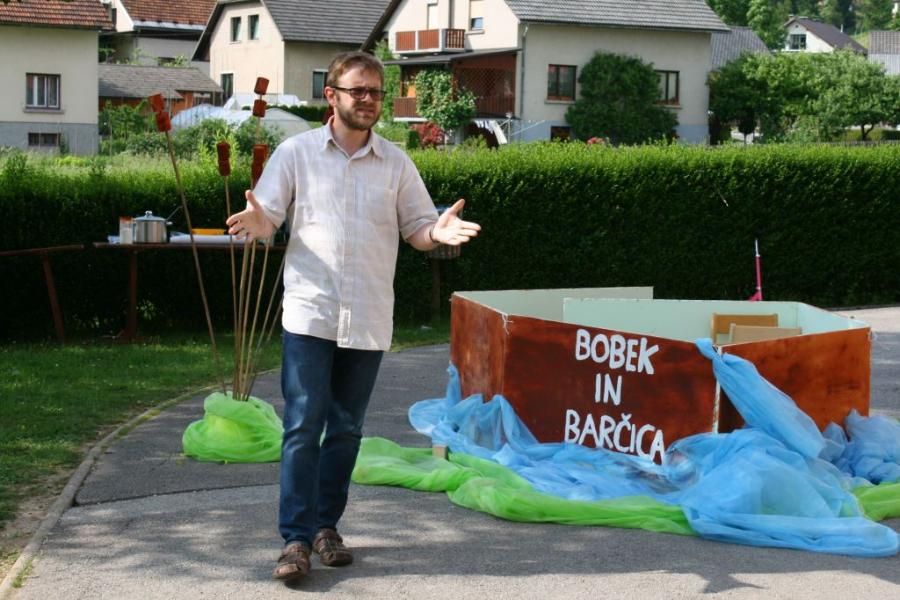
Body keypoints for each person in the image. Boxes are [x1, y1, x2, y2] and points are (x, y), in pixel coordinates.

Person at [225, 51, 481, 582]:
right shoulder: (296, 154)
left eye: (375, 92)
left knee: (345, 430)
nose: (367, 100)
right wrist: (259, 221)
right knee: (302, 426)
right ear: (332, 95)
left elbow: (417, 228)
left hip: (367, 317)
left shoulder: (396, 163)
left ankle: (326, 528)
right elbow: (268, 215)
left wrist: (436, 232)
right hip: (310, 313)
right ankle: (295, 540)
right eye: (357, 90)